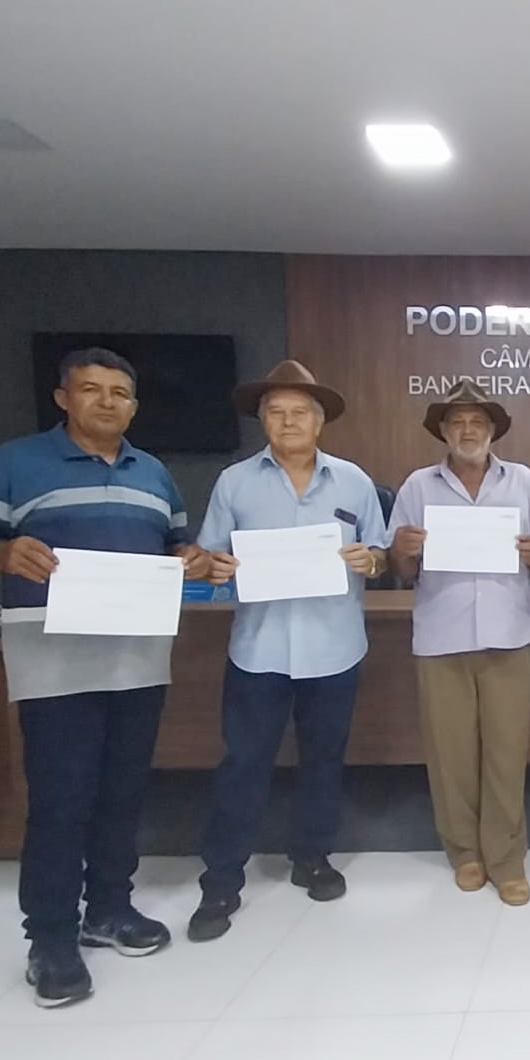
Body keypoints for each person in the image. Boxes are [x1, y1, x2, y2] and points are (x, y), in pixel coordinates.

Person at [0, 347, 210, 1008]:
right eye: (91, 389)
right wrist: (3, 551)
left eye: (120, 392)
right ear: (63, 397)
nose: (107, 401)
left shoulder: (154, 474)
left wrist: (191, 559)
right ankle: (51, 940)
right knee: (61, 800)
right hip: (54, 660)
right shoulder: (13, 462)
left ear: (134, 404)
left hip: (136, 656)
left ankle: (110, 909)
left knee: (122, 791)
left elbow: (173, 549)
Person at [185, 361, 389, 942]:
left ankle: (312, 857)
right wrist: (217, 568)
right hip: (259, 649)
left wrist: (370, 561)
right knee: (243, 765)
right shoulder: (235, 483)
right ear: (262, 421)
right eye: (276, 412)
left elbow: (379, 554)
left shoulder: (354, 482)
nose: (288, 421)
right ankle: (221, 882)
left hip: (334, 648)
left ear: (319, 422)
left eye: (300, 412)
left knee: (324, 760)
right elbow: (208, 558)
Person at [388, 380, 530, 906]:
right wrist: (404, 548)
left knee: (507, 753)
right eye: (458, 422)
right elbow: (398, 565)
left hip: (509, 633)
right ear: (443, 430)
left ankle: (507, 860)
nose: (468, 430)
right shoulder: (418, 486)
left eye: (477, 422)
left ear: (492, 431)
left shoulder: (524, 481)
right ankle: (464, 852)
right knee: (451, 754)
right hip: (442, 635)